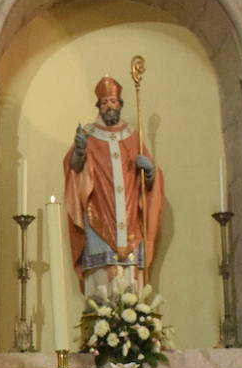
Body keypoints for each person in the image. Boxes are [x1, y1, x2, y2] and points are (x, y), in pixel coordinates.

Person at [61, 75, 165, 295]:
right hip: (97, 216)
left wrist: (150, 172)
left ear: (120, 104)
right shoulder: (88, 135)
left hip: (130, 222)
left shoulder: (134, 138)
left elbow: (150, 186)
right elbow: (74, 171)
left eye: (113, 101)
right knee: (101, 284)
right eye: (105, 102)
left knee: (129, 281)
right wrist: (79, 151)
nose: (110, 106)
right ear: (99, 106)